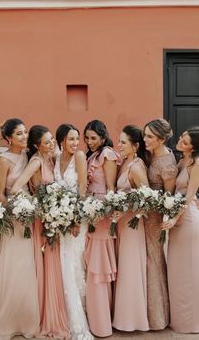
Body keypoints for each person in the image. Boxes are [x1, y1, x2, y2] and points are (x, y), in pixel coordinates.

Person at [0, 118, 40, 340]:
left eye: (25, 132)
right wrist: (12, 211)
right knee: (13, 266)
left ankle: (29, 316)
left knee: (30, 267)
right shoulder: (3, 159)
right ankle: (7, 318)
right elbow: (1, 192)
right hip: (14, 218)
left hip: (29, 215)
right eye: (19, 134)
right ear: (9, 138)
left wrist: (29, 208)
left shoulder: (27, 155)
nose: (24, 137)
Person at [11, 125, 70, 339]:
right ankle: (45, 316)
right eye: (46, 142)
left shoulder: (50, 159)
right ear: (37, 145)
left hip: (52, 220)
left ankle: (53, 312)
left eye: (52, 139)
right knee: (45, 265)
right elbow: (16, 188)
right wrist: (38, 205)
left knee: (53, 265)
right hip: (42, 221)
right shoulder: (36, 161)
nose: (52, 143)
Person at [54, 124, 93, 340]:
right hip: (59, 220)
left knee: (75, 264)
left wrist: (76, 217)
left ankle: (81, 315)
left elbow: (82, 188)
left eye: (77, 139)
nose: (75, 143)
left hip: (76, 219)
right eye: (70, 139)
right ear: (61, 140)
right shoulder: (56, 157)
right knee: (62, 263)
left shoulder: (79, 156)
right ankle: (63, 313)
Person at [83, 119, 119, 337]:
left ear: (103, 137)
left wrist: (102, 213)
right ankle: (96, 317)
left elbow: (111, 189)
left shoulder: (108, 155)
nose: (89, 142)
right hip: (90, 214)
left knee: (100, 269)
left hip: (102, 217)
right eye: (87, 138)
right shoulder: (91, 156)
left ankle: (102, 323)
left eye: (93, 138)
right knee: (92, 266)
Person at [112, 125, 149, 331]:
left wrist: (125, 210)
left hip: (133, 225)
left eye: (123, 142)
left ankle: (131, 320)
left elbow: (146, 200)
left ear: (135, 146)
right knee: (123, 267)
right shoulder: (125, 162)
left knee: (130, 268)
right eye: (119, 141)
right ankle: (122, 316)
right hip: (123, 224)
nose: (119, 145)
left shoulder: (136, 166)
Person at [143, 118, 178, 330]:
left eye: (149, 136)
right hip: (143, 216)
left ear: (161, 139)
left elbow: (169, 198)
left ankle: (158, 317)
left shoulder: (168, 163)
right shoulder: (150, 155)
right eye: (145, 135)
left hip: (154, 219)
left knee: (153, 263)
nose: (145, 139)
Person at [164, 127, 199, 333]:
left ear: (193, 147)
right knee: (177, 273)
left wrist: (174, 217)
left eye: (185, 142)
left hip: (187, 222)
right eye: (180, 139)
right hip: (177, 223)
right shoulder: (180, 160)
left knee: (189, 273)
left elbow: (188, 196)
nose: (180, 142)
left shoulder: (196, 163)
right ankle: (178, 319)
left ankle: (191, 322)